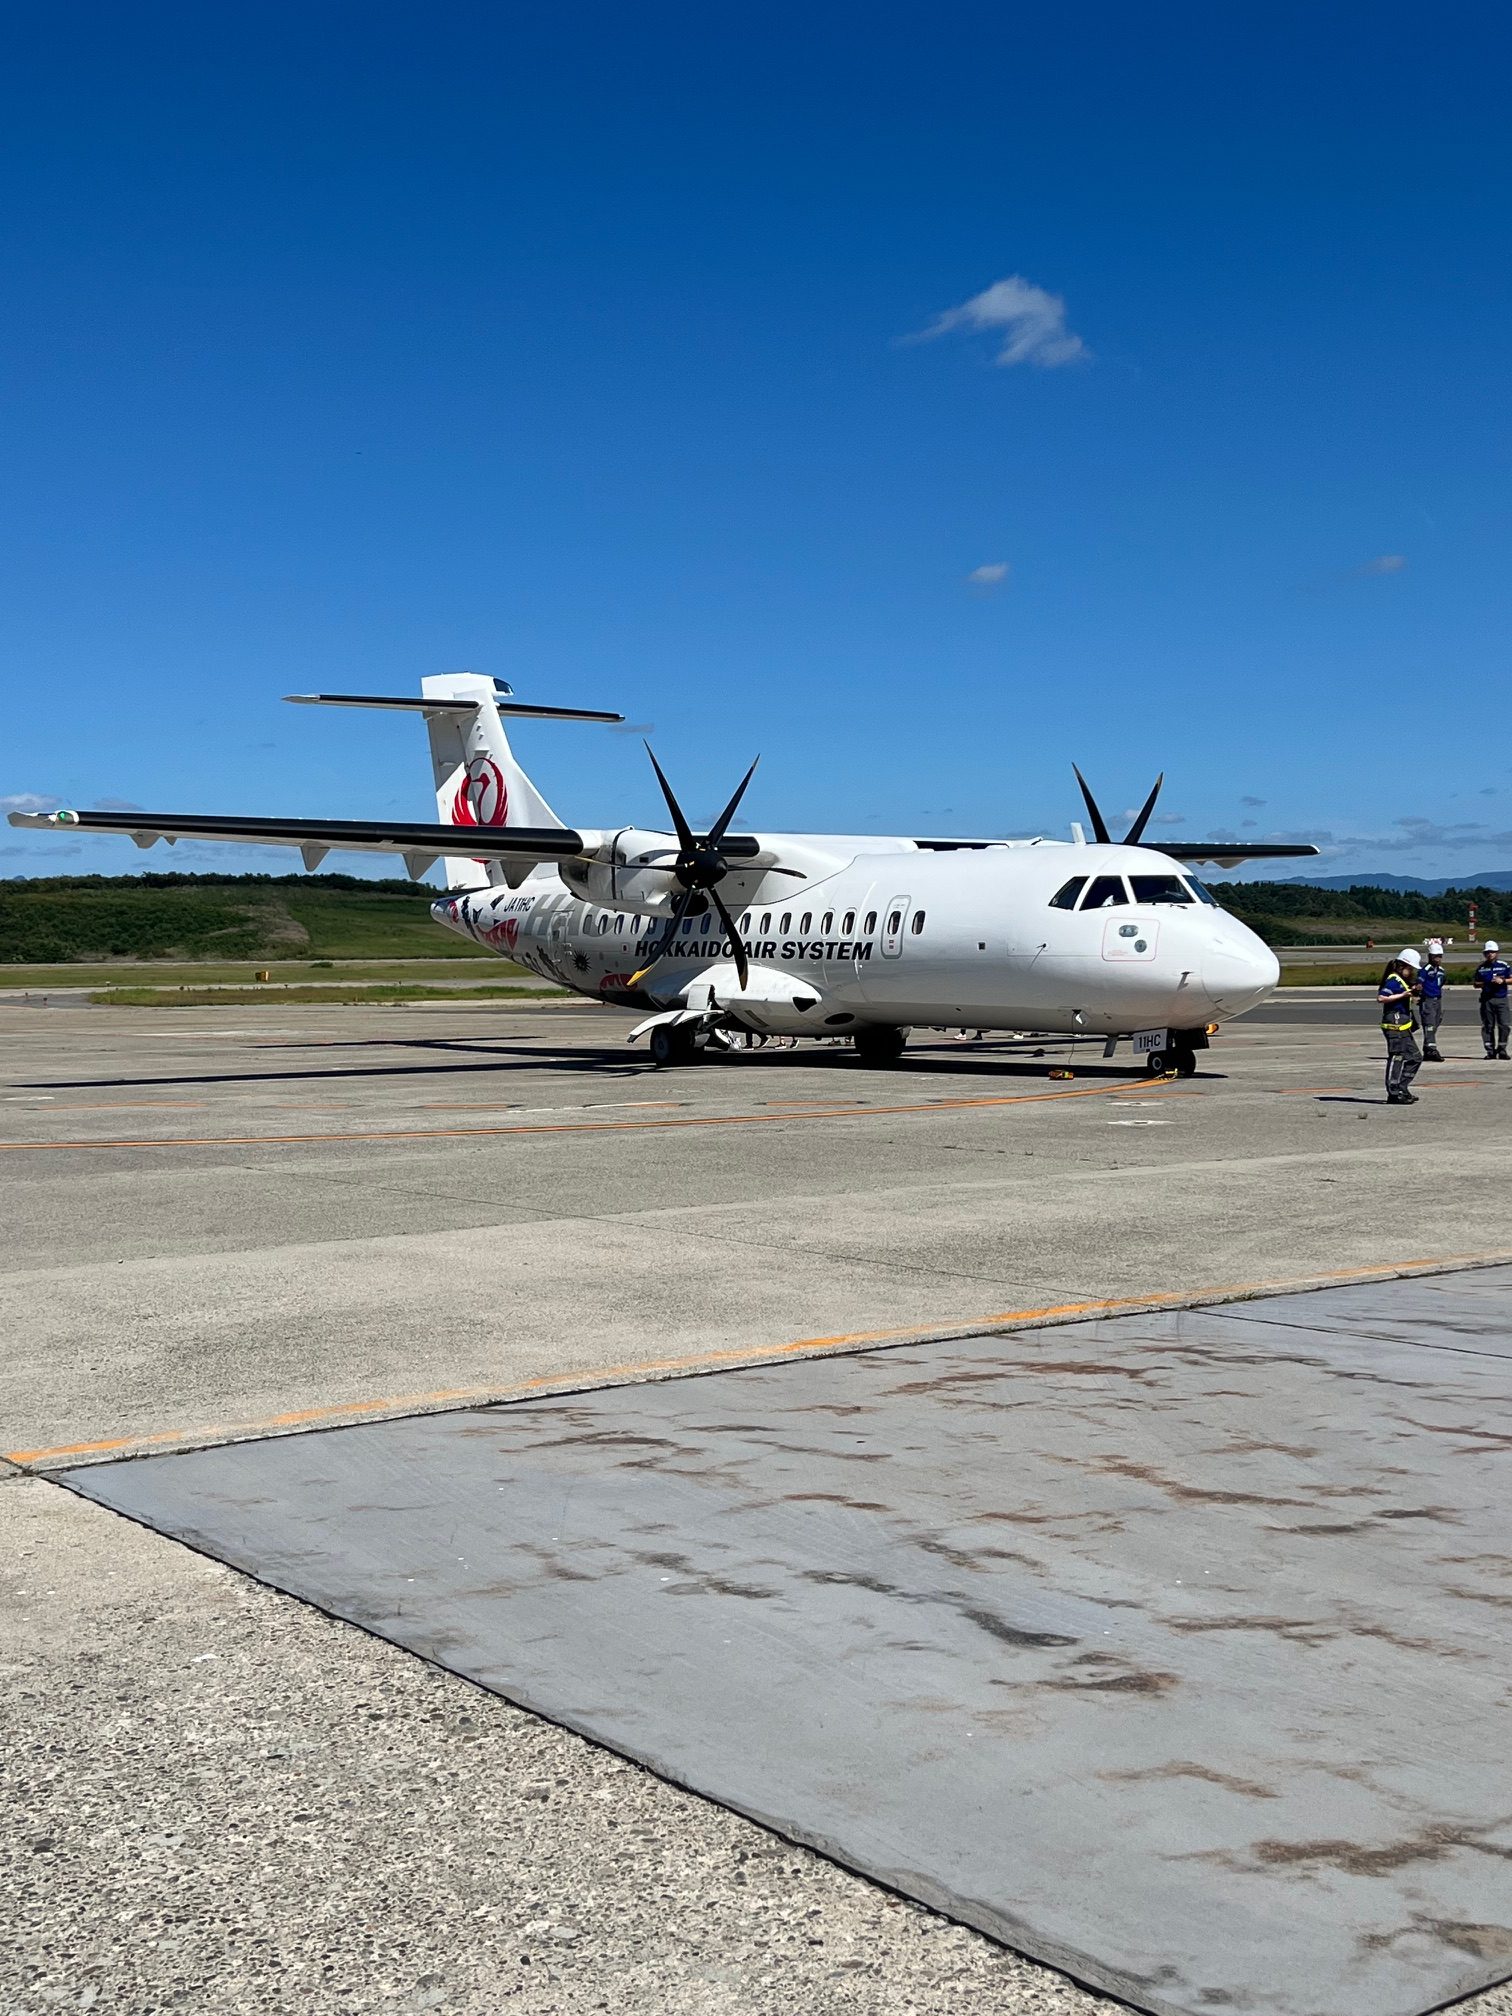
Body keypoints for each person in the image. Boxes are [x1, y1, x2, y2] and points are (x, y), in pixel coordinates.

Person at [1378, 948, 1423, 1104]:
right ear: (1402, 966)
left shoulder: (1402, 981)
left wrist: (1413, 991)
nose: (1411, 972)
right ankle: (1393, 1092)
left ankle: (1402, 1087)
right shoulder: (1393, 980)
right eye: (1410, 969)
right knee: (1396, 1057)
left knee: (1415, 1057)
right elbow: (1381, 997)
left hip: (1403, 1027)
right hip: (1394, 1025)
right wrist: (1403, 995)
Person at [1473, 939, 1511, 1060]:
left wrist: (1503, 981)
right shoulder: (1481, 968)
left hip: (1501, 999)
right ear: (1484, 954)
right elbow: (1475, 983)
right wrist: (1485, 983)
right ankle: (1490, 1051)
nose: (1490, 954)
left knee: (1504, 1025)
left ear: (1497, 953)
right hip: (1487, 1000)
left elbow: (1511, 979)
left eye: (1493, 952)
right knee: (1488, 1026)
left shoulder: (1504, 965)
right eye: (1488, 952)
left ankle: (1502, 1049)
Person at [1419, 939, 1447, 1061]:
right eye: (1435, 956)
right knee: (1429, 1024)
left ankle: (1427, 1048)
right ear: (1430, 956)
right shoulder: (1425, 970)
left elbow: (1442, 982)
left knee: (1435, 1022)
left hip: (1437, 999)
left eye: (1439, 956)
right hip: (1428, 1000)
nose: (1438, 959)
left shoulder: (1441, 970)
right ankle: (1432, 1049)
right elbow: (1419, 983)